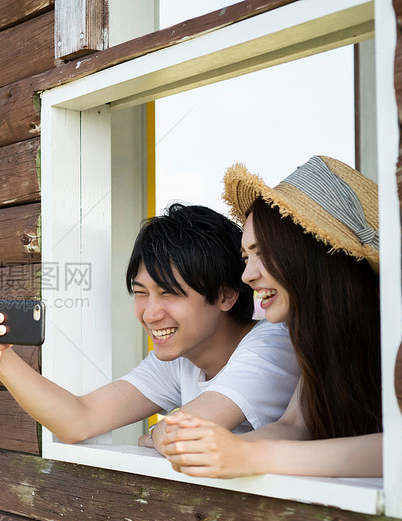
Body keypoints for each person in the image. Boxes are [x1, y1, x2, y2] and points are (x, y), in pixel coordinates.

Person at [0, 203, 299, 447]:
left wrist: (156, 432)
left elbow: (181, 434)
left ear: (226, 295)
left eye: (169, 293)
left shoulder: (273, 344)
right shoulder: (181, 357)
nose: (150, 314)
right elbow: (80, 419)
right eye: (141, 293)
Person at [158, 156, 383, 478]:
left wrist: (251, 456)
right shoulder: (319, 337)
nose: (247, 275)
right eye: (246, 257)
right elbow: (294, 425)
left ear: (315, 251)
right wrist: (222, 448)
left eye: (263, 253)